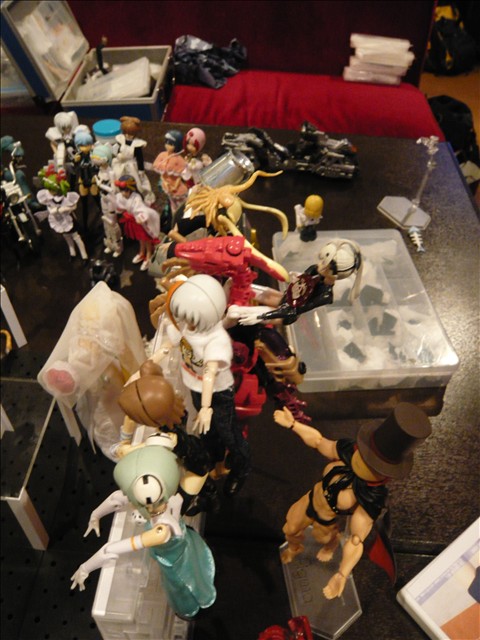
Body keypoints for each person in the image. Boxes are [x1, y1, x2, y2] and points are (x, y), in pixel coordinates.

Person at [273, 402, 432, 599]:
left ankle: (332, 542)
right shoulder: (349, 450)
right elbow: (319, 441)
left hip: (326, 520)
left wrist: (342, 573)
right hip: (310, 499)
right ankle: (295, 547)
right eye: (366, 455)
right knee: (289, 529)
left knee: (323, 539)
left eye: (373, 463)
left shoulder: (370, 496)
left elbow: (356, 539)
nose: (363, 461)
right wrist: (293, 425)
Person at [152, 274, 251, 496]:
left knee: (230, 435)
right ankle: (216, 460)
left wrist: (207, 407)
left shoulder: (216, 339)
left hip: (218, 393)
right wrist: (153, 360)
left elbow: (209, 372)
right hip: (195, 387)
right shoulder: (186, 326)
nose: (186, 322)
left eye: (190, 317)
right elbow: (171, 343)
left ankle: (241, 467)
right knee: (208, 432)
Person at [114, 174, 160, 271]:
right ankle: (141, 253)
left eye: (125, 191)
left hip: (141, 222)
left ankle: (148, 255)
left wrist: (141, 218)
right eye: (121, 190)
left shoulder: (137, 198)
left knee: (146, 239)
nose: (122, 193)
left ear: (131, 189)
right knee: (140, 239)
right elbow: (119, 205)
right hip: (133, 221)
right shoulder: (122, 196)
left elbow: (142, 210)